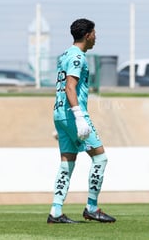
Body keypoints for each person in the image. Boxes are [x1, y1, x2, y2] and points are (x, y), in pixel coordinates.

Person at [47, 18, 116, 224]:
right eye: (94, 33)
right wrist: (79, 116)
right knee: (100, 158)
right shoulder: (78, 57)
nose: (96, 37)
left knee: (67, 162)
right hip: (72, 114)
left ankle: (56, 211)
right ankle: (92, 208)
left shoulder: (65, 54)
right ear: (87, 35)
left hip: (59, 113)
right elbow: (70, 87)